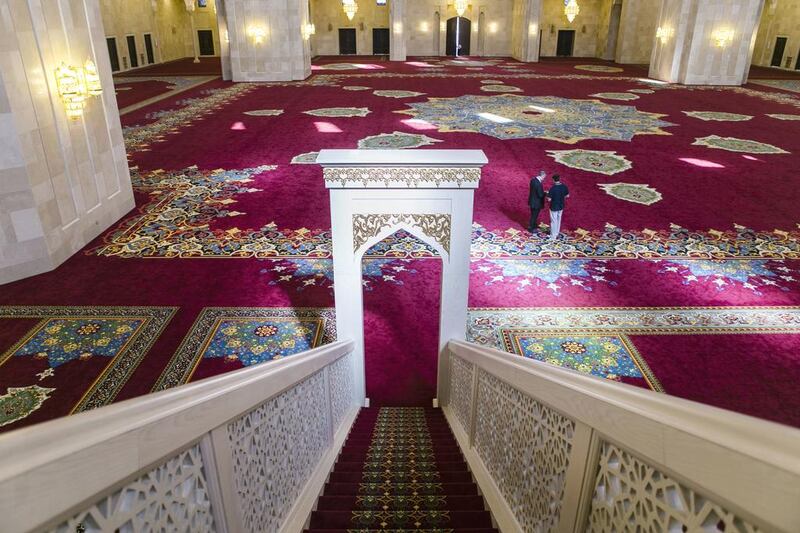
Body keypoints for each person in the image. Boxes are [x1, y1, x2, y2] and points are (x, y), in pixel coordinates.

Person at [547, 174, 569, 241]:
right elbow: (567, 196)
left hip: (554, 206)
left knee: (553, 221)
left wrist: (548, 194)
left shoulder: (553, 188)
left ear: (553, 180)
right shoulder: (564, 186)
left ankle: (553, 236)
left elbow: (549, 199)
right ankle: (556, 233)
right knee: (559, 219)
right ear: (559, 179)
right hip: (561, 205)